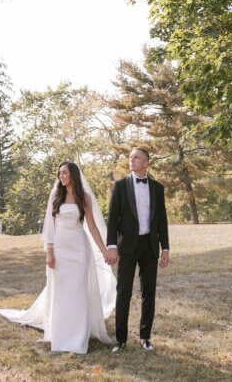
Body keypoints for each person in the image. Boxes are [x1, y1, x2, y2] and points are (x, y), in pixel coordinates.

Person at [0, 161, 116, 354]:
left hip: (79, 248)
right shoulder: (56, 196)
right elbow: (49, 227)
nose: (61, 177)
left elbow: (91, 226)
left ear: (73, 175)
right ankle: (60, 335)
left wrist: (104, 250)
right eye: (59, 173)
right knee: (61, 292)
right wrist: (49, 252)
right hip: (60, 248)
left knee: (78, 291)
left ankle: (78, 336)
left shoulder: (84, 197)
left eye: (65, 173)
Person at [105, 146, 170, 352]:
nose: (132, 160)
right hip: (127, 247)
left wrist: (165, 248)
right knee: (123, 291)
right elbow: (112, 218)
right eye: (131, 157)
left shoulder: (157, 188)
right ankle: (121, 339)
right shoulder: (121, 186)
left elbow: (162, 221)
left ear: (146, 162)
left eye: (137, 157)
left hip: (149, 246)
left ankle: (145, 337)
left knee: (148, 292)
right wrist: (112, 246)